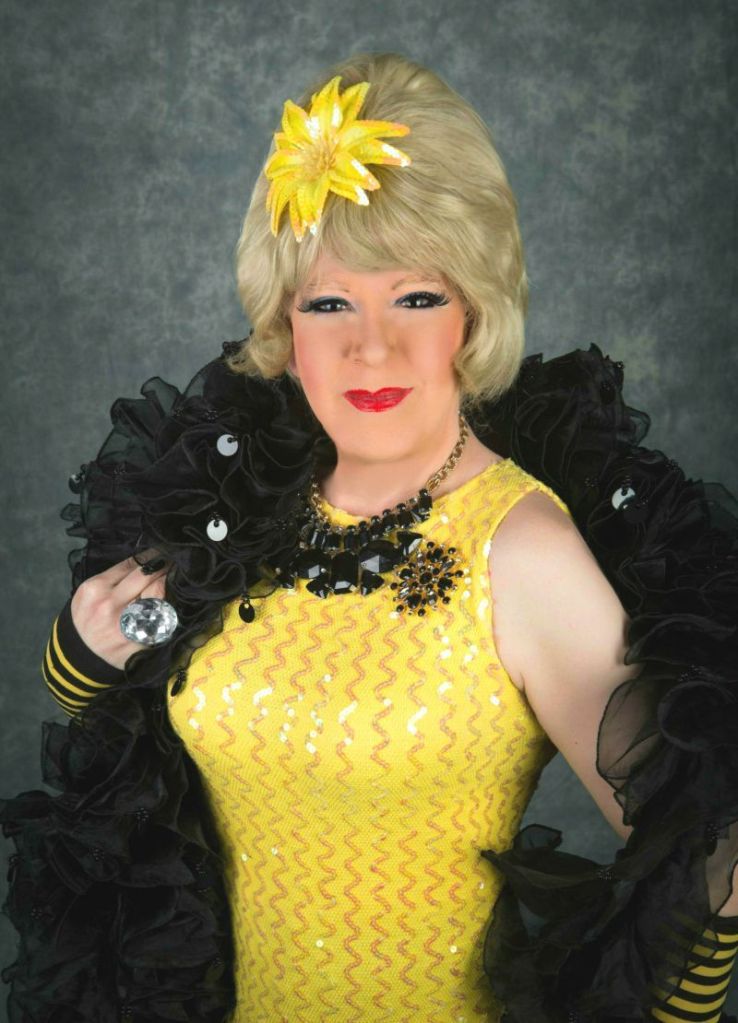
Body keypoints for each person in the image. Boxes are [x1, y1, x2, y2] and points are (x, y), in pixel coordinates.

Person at [2, 52, 737, 1023]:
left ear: (474, 311)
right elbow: (114, 720)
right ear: (287, 323)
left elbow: (704, 855)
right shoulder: (245, 491)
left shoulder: (522, 550)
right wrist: (83, 651)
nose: (372, 346)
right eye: (330, 302)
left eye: (417, 297)